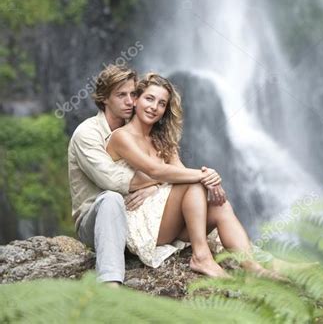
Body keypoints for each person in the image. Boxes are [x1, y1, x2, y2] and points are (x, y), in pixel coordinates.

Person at [106, 71, 275, 278]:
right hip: (140, 224)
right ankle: (201, 257)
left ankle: (253, 269)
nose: (154, 107)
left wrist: (208, 176)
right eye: (149, 98)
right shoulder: (121, 137)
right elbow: (155, 170)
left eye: (161, 103)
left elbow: (180, 172)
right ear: (136, 99)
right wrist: (205, 176)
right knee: (193, 184)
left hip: (167, 221)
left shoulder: (162, 139)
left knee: (220, 206)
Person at [68, 64, 221, 285]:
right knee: (111, 199)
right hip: (95, 219)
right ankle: (110, 283)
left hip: (135, 218)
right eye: (121, 95)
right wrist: (170, 178)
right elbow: (113, 181)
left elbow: (159, 169)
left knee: (213, 202)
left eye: (133, 94)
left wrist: (154, 187)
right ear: (104, 99)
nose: (130, 101)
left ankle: (251, 262)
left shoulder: (139, 128)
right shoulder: (87, 134)